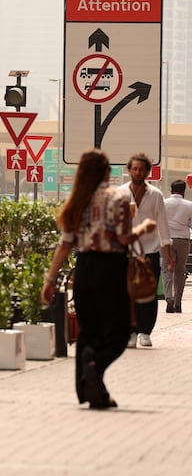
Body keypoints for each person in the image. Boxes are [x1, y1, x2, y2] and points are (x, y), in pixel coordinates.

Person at [44, 149, 157, 409]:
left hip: (84, 269)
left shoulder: (77, 200)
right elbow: (124, 238)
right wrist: (144, 228)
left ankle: (92, 392)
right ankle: (95, 365)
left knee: (88, 332)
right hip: (111, 270)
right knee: (119, 331)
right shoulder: (118, 197)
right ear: (106, 171)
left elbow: (65, 244)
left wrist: (49, 279)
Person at [118, 153, 173, 347]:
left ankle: (145, 331)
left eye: (141, 169)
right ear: (129, 170)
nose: (138, 172)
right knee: (126, 294)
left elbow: (163, 225)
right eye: (134, 168)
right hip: (125, 251)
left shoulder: (155, 195)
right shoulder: (120, 193)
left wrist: (168, 255)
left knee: (148, 293)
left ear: (147, 172)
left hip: (150, 250)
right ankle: (130, 332)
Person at [163, 179, 192, 313]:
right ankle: (178, 302)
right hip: (183, 240)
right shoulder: (189, 205)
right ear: (184, 191)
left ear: (171, 190)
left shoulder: (164, 203)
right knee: (180, 271)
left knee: (167, 270)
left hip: (167, 240)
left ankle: (169, 298)